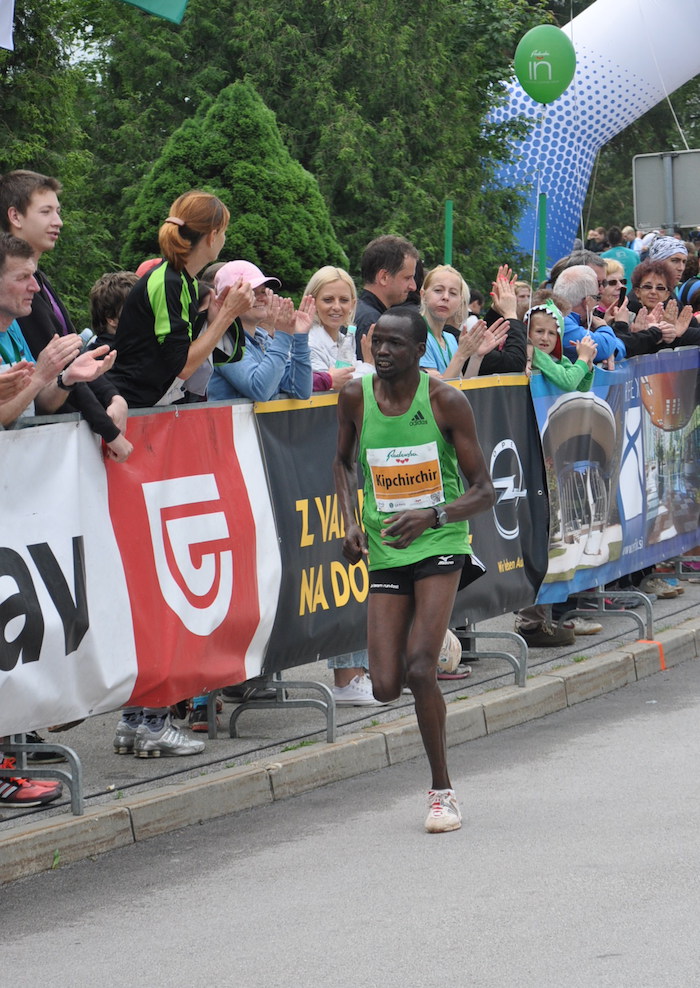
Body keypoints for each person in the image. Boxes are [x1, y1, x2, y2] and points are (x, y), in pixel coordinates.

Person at [334, 306, 495, 832]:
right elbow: (343, 462)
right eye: (378, 341)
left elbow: (484, 491)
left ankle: (442, 793)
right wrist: (349, 521)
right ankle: (431, 630)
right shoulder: (355, 396)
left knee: (421, 669)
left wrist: (434, 514)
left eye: (395, 344)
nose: (382, 351)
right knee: (385, 685)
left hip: (440, 539)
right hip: (387, 547)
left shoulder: (445, 400)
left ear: (420, 351)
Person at [0, 232, 117, 806]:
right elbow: (4, 416)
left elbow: (35, 406)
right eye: (23, 277)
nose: (35, 287)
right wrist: (43, 376)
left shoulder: (16, 329)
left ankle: (9, 755)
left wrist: (64, 379)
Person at [0, 169, 132, 462]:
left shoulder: (39, 281)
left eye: (58, 211)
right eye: (46, 211)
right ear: (15, 216)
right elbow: (55, 369)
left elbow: (72, 359)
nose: (58, 221)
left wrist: (113, 396)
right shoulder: (16, 299)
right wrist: (109, 431)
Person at [108, 190, 254, 408]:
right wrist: (228, 314)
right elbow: (183, 366)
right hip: (129, 406)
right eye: (224, 232)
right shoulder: (168, 281)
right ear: (212, 236)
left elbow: (197, 356)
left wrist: (214, 320)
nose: (225, 239)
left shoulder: (186, 282)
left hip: (148, 405)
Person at [514, 297, 599, 647]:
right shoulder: (537, 357)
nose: (545, 338)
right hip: (534, 455)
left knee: (555, 535)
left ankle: (542, 616)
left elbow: (581, 384)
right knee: (541, 536)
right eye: (538, 331)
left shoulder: (556, 358)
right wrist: (582, 360)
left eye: (552, 333)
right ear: (527, 333)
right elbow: (566, 380)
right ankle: (531, 620)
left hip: (552, 456)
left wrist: (586, 365)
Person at [207, 259, 314, 402]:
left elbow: (300, 390)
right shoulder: (223, 341)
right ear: (227, 298)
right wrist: (283, 336)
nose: (263, 298)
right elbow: (259, 390)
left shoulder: (264, 339)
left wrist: (300, 338)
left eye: (263, 291)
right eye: (251, 292)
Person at [419, 264, 509, 379]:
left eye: (453, 293)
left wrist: (477, 356)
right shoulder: (416, 335)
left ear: (460, 300)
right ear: (423, 295)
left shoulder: (450, 338)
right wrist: (461, 355)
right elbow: (437, 388)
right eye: (438, 290)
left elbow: (461, 385)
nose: (446, 297)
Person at [353, 235, 419, 356]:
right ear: (384, 277)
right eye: (407, 278)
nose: (413, 286)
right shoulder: (371, 323)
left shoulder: (358, 312)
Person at [552, 265, 624, 367]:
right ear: (587, 302)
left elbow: (618, 347)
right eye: (597, 297)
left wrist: (613, 351)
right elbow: (606, 346)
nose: (597, 302)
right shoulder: (561, 322)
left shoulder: (568, 320)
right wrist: (603, 326)